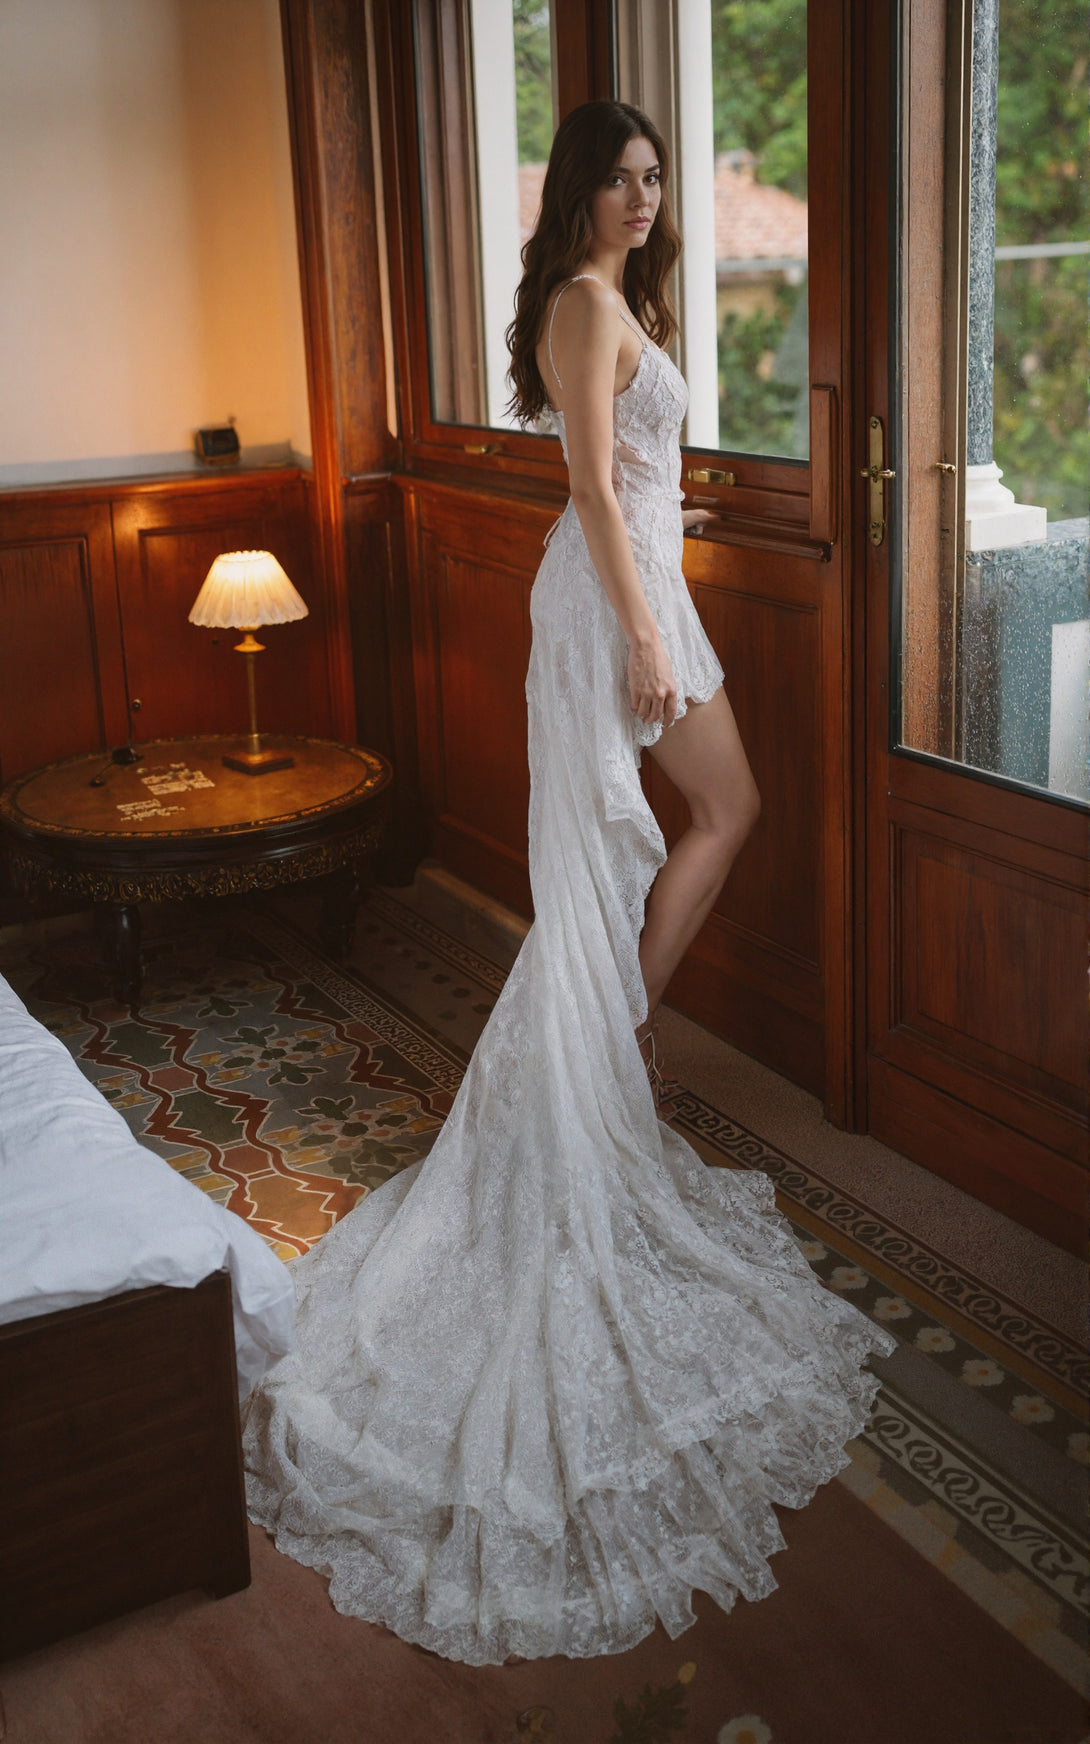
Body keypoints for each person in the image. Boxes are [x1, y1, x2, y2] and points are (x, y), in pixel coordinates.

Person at [242, 99, 894, 1668]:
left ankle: (602, 1038)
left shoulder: (602, 297)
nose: (645, 195)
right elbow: (593, 489)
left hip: (631, 584)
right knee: (702, 819)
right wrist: (649, 627)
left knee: (681, 832)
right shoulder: (587, 303)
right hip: (616, 604)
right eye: (621, 176)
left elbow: (631, 473)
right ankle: (603, 1042)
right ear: (579, 192)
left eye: (656, 175)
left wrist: (676, 526)